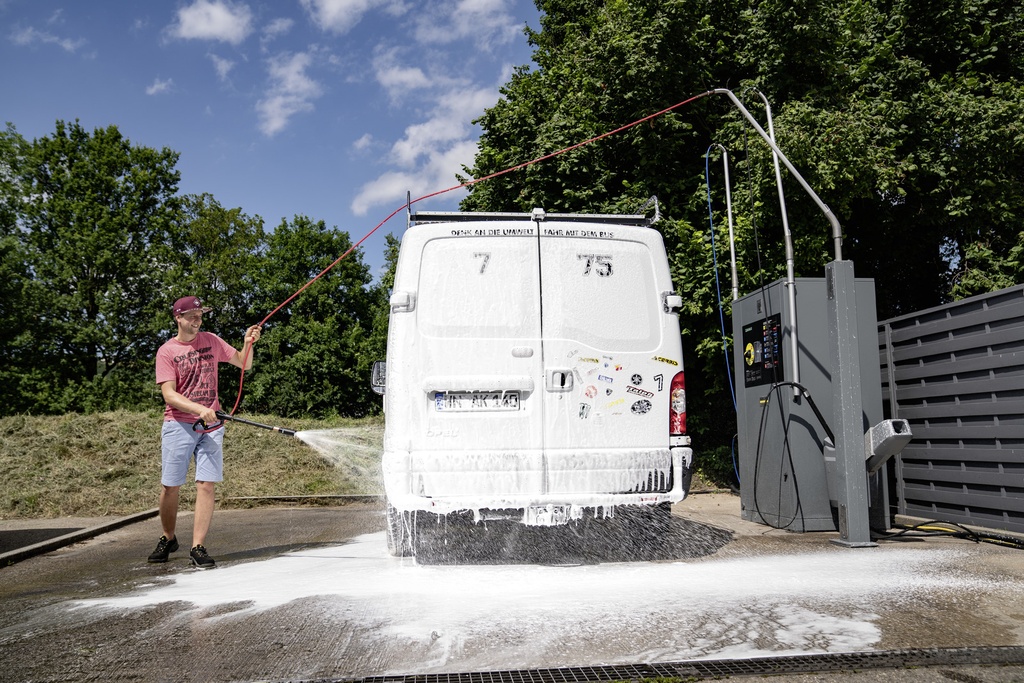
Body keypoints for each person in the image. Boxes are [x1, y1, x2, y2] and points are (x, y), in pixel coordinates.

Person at [148, 296, 262, 569]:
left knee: (206, 484)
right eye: (192, 315)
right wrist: (199, 409)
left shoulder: (211, 339)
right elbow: (169, 394)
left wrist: (248, 344)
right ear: (178, 318)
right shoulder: (167, 351)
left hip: (212, 425)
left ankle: (197, 546)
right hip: (178, 424)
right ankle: (168, 537)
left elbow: (243, 364)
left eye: (200, 314)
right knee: (170, 487)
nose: (197, 319)